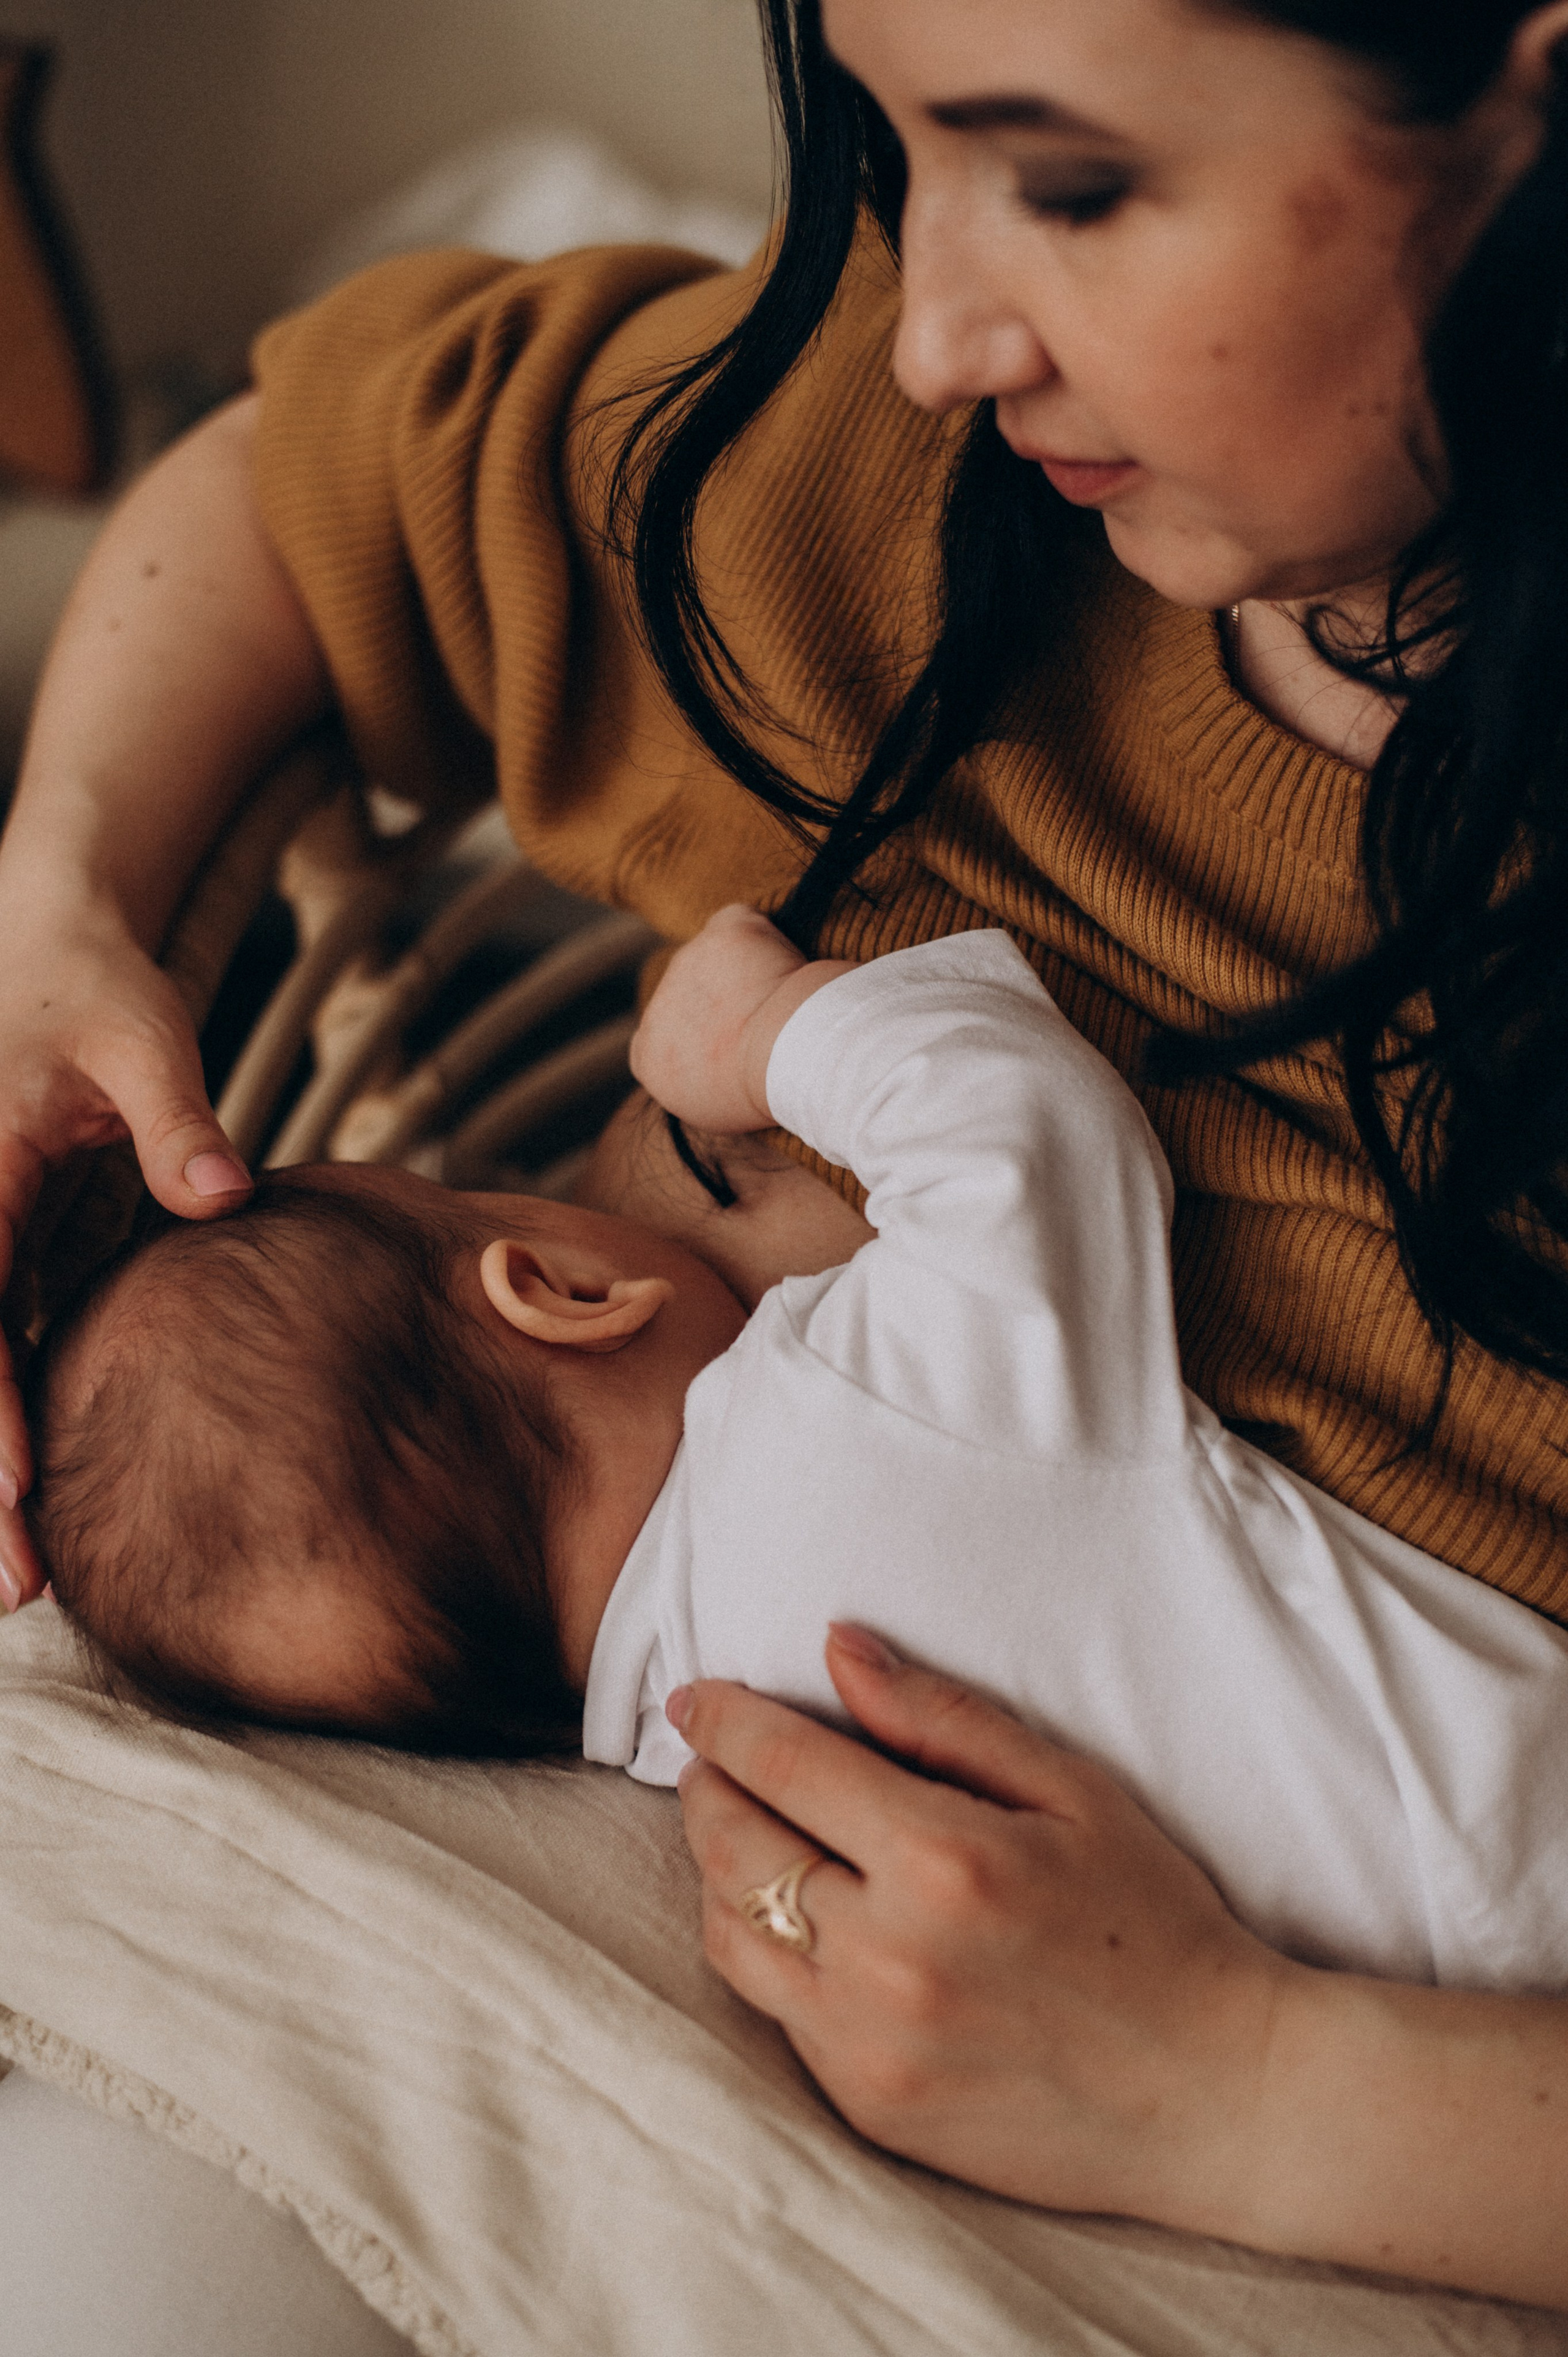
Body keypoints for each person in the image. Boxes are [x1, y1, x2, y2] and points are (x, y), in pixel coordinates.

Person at [3, 0, 1568, 2312]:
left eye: (1066, 181)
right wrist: (57, 911)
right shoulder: (866, 468)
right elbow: (305, 484)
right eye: (884, 139)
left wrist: (1240, 2080)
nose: (928, 327)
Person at [34, 907, 1568, 1995]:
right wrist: (763, 1037)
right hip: (1511, 1810)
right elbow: (1022, 1121)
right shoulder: (835, 1406)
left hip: (1429, 1974)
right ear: (561, 1291)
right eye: (506, 1187)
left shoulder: (689, 1757)